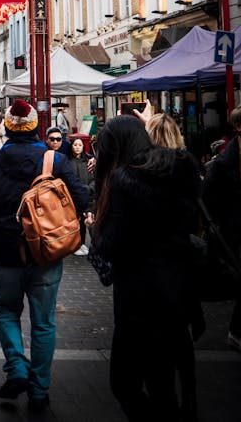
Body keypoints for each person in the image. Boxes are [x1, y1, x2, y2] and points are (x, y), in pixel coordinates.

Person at [0, 99, 88, 410]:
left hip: (6, 252)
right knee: (43, 323)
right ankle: (39, 391)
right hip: (47, 252)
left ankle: (16, 367)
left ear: (8, 128)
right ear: (35, 126)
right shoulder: (54, 160)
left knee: (6, 311)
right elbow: (81, 197)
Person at [92, 115, 200, 422]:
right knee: (162, 379)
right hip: (177, 289)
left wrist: (94, 230)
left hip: (138, 297)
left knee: (124, 382)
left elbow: (111, 245)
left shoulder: (125, 180)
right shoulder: (182, 167)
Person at [203, 105, 241, 355]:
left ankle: (236, 331)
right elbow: (207, 198)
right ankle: (236, 332)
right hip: (234, 229)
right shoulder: (223, 163)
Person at [67, 134, 94, 256]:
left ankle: (82, 242)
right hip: (73, 195)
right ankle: (75, 244)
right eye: (75, 145)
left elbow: (94, 178)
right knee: (74, 220)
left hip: (87, 194)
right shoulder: (67, 161)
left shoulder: (89, 161)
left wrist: (89, 188)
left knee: (84, 219)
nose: (77, 147)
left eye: (80, 145)